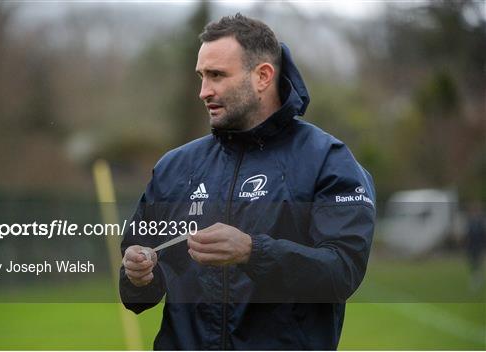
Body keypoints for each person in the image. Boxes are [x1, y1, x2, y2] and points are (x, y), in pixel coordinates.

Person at [119, 13, 375, 350]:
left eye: (217, 75)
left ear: (263, 76)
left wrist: (253, 252)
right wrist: (139, 275)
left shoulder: (327, 160)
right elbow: (139, 292)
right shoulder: (175, 167)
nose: (203, 91)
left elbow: (342, 273)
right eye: (201, 76)